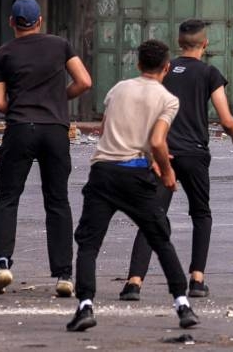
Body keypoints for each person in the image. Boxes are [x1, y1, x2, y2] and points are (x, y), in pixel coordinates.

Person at [67, 39, 199, 332]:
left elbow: (107, 129)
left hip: (103, 173)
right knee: (160, 238)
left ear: (138, 64)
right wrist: (166, 171)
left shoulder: (118, 89)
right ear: (166, 68)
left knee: (89, 244)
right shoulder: (167, 99)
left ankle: (85, 306)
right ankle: (182, 304)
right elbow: (157, 141)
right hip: (136, 176)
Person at [120, 19, 233, 301]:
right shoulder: (209, 73)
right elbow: (226, 120)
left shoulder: (164, 71)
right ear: (205, 44)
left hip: (163, 153)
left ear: (179, 43)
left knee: (152, 216)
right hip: (194, 154)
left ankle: (134, 282)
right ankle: (197, 280)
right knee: (201, 214)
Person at [0, 0, 92, 298]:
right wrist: (58, 98)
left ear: (12, 23)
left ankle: (2, 263)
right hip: (55, 130)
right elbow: (84, 81)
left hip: (20, 128)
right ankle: (64, 275)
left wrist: (23, 104)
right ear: (40, 21)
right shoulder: (60, 45)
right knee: (57, 201)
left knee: (7, 198)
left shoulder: (3, 54)